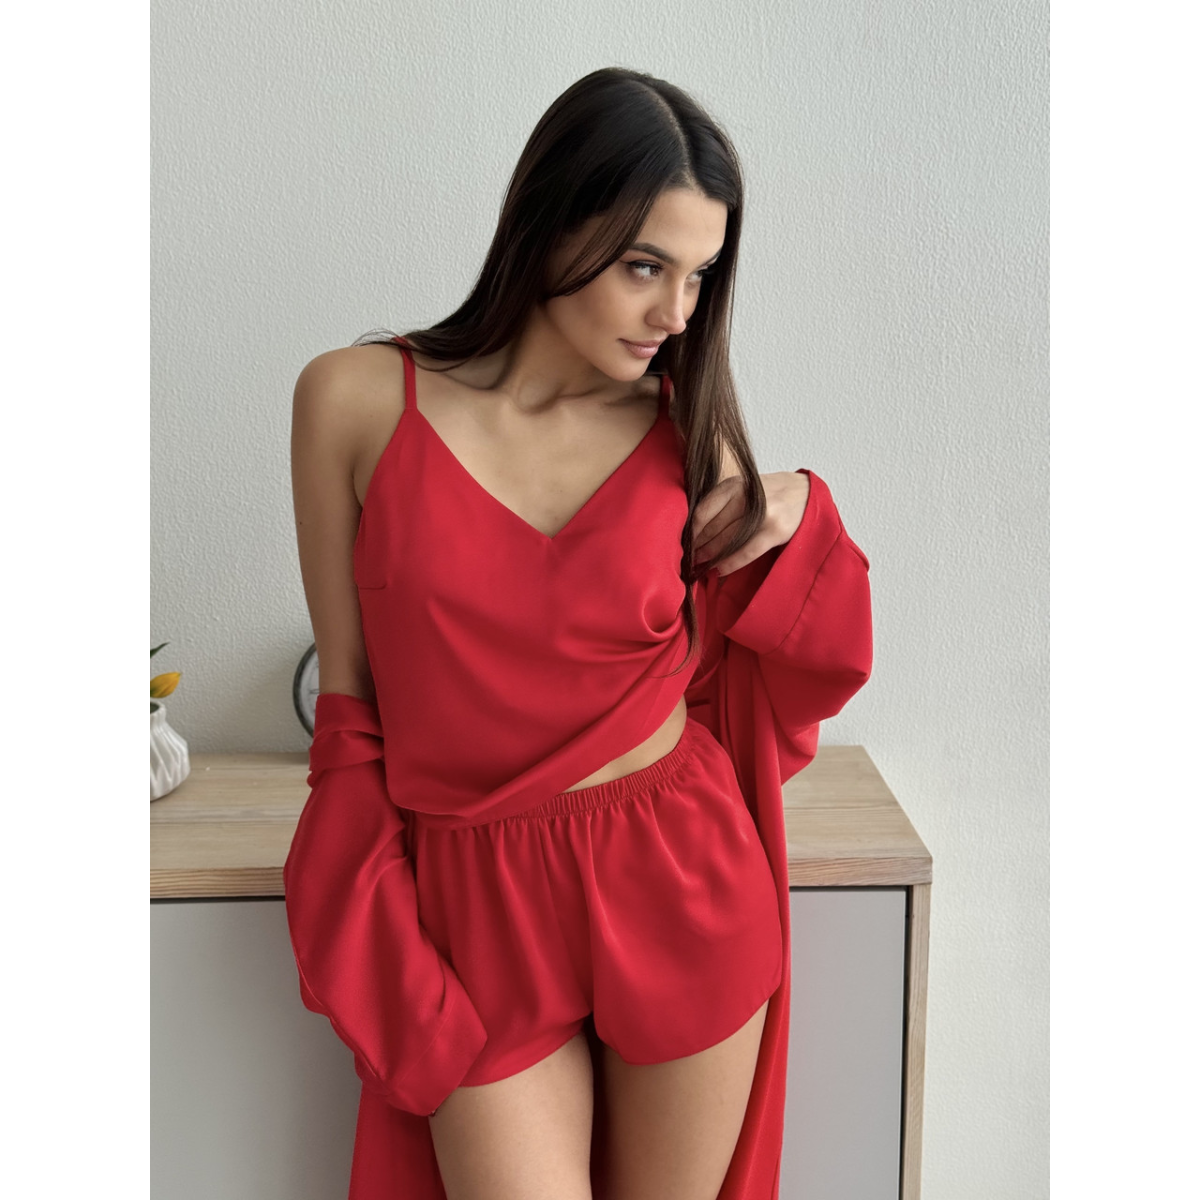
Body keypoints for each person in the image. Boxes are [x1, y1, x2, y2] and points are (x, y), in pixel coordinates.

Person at [284, 67, 873, 1200]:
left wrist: (803, 506)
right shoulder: (352, 401)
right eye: (646, 266)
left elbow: (802, 636)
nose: (675, 314)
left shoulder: (685, 430)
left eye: (699, 276)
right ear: (552, 222)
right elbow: (347, 714)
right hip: (476, 903)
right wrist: (380, 933)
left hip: (679, 873)